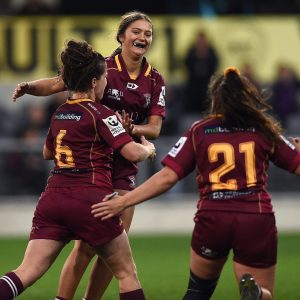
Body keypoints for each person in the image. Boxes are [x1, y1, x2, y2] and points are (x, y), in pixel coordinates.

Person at [91, 66, 300, 300]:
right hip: (256, 217)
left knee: (198, 291)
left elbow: (167, 177)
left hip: (213, 218)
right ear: (248, 98)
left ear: (215, 100)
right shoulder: (263, 131)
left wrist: (124, 201)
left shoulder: (200, 131)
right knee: (259, 290)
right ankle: (260, 295)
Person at [12, 11, 166, 300]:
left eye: (148, 33)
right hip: (93, 164)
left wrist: (133, 128)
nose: (142, 37)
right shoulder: (100, 67)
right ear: (121, 36)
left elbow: (155, 129)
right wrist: (30, 88)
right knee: (85, 248)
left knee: (115, 250)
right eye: (136, 31)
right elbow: (59, 82)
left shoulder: (155, 79)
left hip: (123, 166)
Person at [184, 31, 219, 115]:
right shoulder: (192, 51)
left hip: (207, 85)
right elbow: (186, 63)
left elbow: (215, 64)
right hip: (194, 86)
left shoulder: (211, 52)